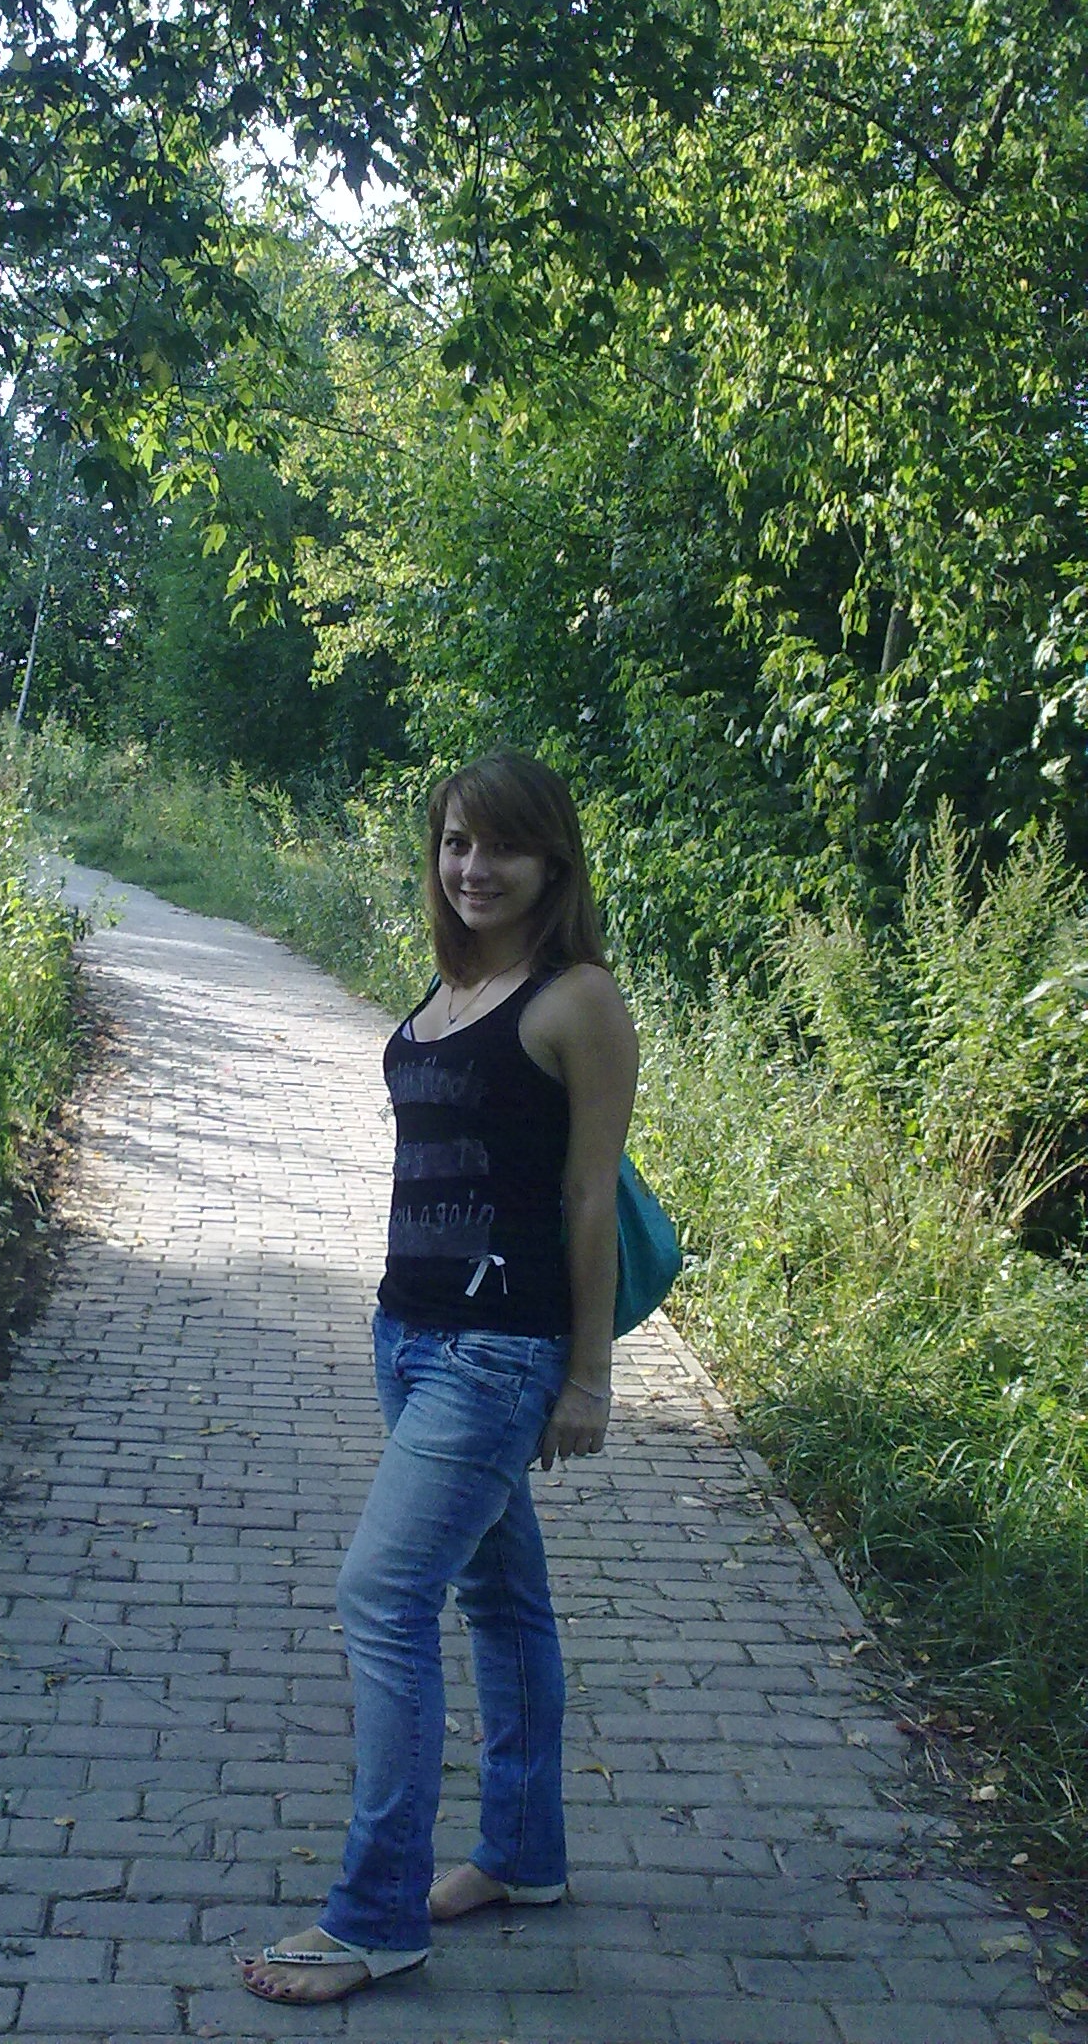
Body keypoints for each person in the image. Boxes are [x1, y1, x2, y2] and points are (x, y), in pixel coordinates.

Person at [238, 749, 638, 2006]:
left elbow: (588, 1197)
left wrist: (588, 1376)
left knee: (383, 1592)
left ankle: (374, 1917)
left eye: (502, 844)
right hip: (406, 1333)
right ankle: (522, 1855)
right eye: (457, 842)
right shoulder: (452, 986)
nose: (475, 866)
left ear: (553, 860)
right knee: (501, 1595)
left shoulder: (577, 999)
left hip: (498, 1349)